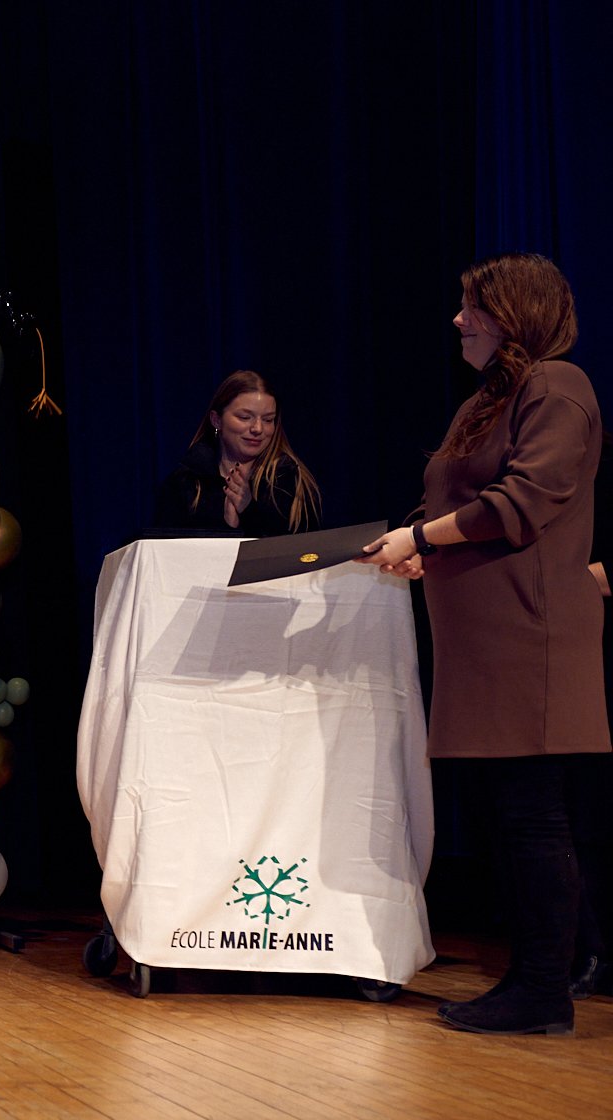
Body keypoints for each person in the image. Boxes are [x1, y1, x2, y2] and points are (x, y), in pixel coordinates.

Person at [357, 252, 605, 1036]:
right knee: (507, 814)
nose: (458, 320)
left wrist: (420, 537)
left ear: (514, 314)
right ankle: (534, 980)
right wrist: (415, 548)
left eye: (474, 307)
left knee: (532, 814)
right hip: (482, 642)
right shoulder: (491, 401)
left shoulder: (557, 385)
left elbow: (524, 498)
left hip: (529, 635)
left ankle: (543, 991)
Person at [154, 370, 323, 534]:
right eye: (244, 417)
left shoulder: (289, 481)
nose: (257, 428)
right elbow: (164, 554)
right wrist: (225, 526)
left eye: (268, 420)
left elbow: (306, 554)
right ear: (217, 420)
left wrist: (249, 512)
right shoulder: (185, 483)